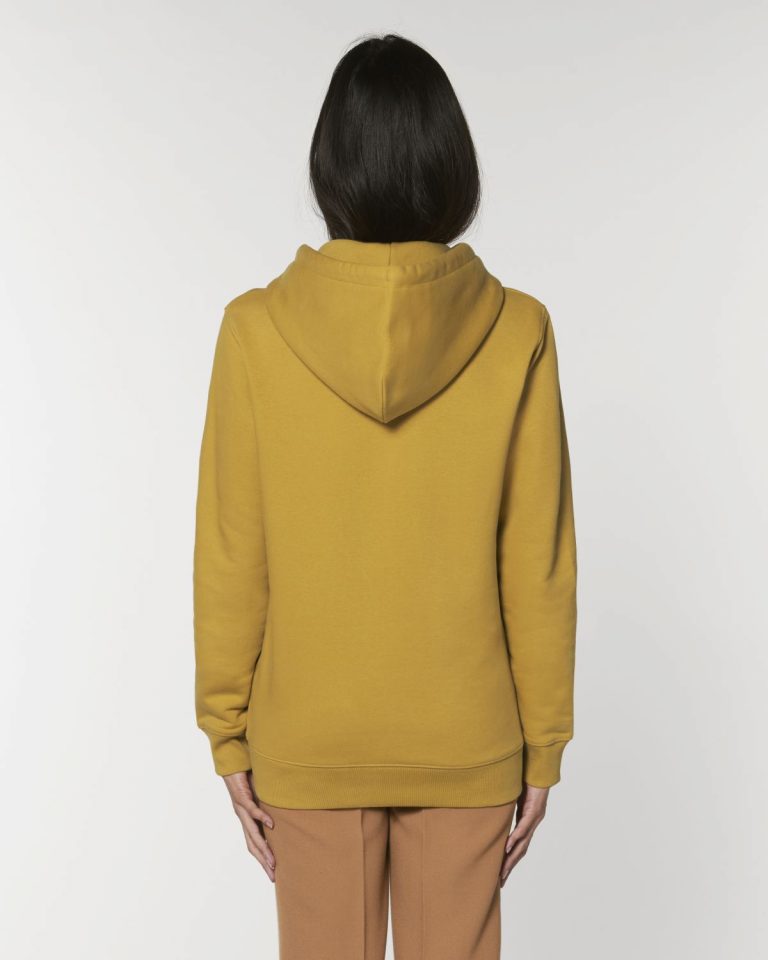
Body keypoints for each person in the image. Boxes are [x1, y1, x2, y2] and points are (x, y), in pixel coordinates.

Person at [193, 31, 577, 960]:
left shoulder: (255, 331)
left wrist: (228, 736)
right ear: (453, 166)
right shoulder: (517, 329)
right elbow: (536, 559)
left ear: (331, 168)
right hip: (469, 736)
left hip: (309, 739)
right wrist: (543, 746)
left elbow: (233, 552)